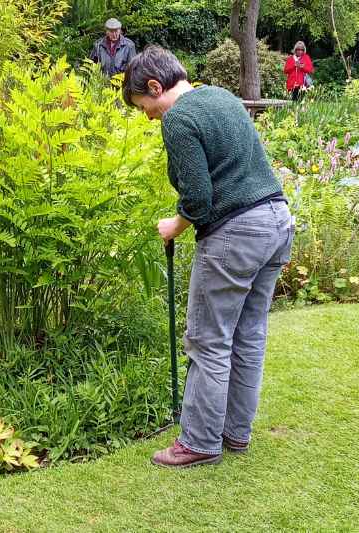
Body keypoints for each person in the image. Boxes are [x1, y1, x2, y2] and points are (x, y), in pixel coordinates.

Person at [123, 46, 294, 468]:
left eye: (143, 106)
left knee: (209, 339)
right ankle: (235, 433)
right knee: (249, 335)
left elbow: (198, 198)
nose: (148, 117)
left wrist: (175, 225)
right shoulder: (222, 96)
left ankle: (198, 442)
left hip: (237, 233)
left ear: (155, 87)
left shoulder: (179, 118)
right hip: (277, 222)